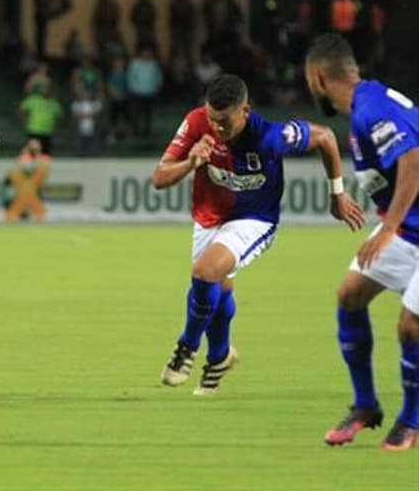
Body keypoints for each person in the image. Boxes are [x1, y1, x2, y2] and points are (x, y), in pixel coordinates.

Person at [154, 74, 363, 396]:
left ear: (245, 110)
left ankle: (186, 347)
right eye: (213, 119)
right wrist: (191, 162)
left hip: (255, 219)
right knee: (218, 288)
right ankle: (219, 357)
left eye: (225, 121)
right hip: (209, 217)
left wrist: (337, 195)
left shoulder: (270, 136)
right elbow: (159, 178)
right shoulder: (196, 123)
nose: (218, 128)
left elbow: (324, 136)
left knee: (205, 271)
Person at [304, 33, 419, 451]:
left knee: (410, 325)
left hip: (405, 228)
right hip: (409, 228)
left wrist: (388, 227)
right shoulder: (367, 105)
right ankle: (366, 405)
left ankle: (411, 420)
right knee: (350, 295)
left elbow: (414, 161)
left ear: (318, 77)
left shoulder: (371, 109)